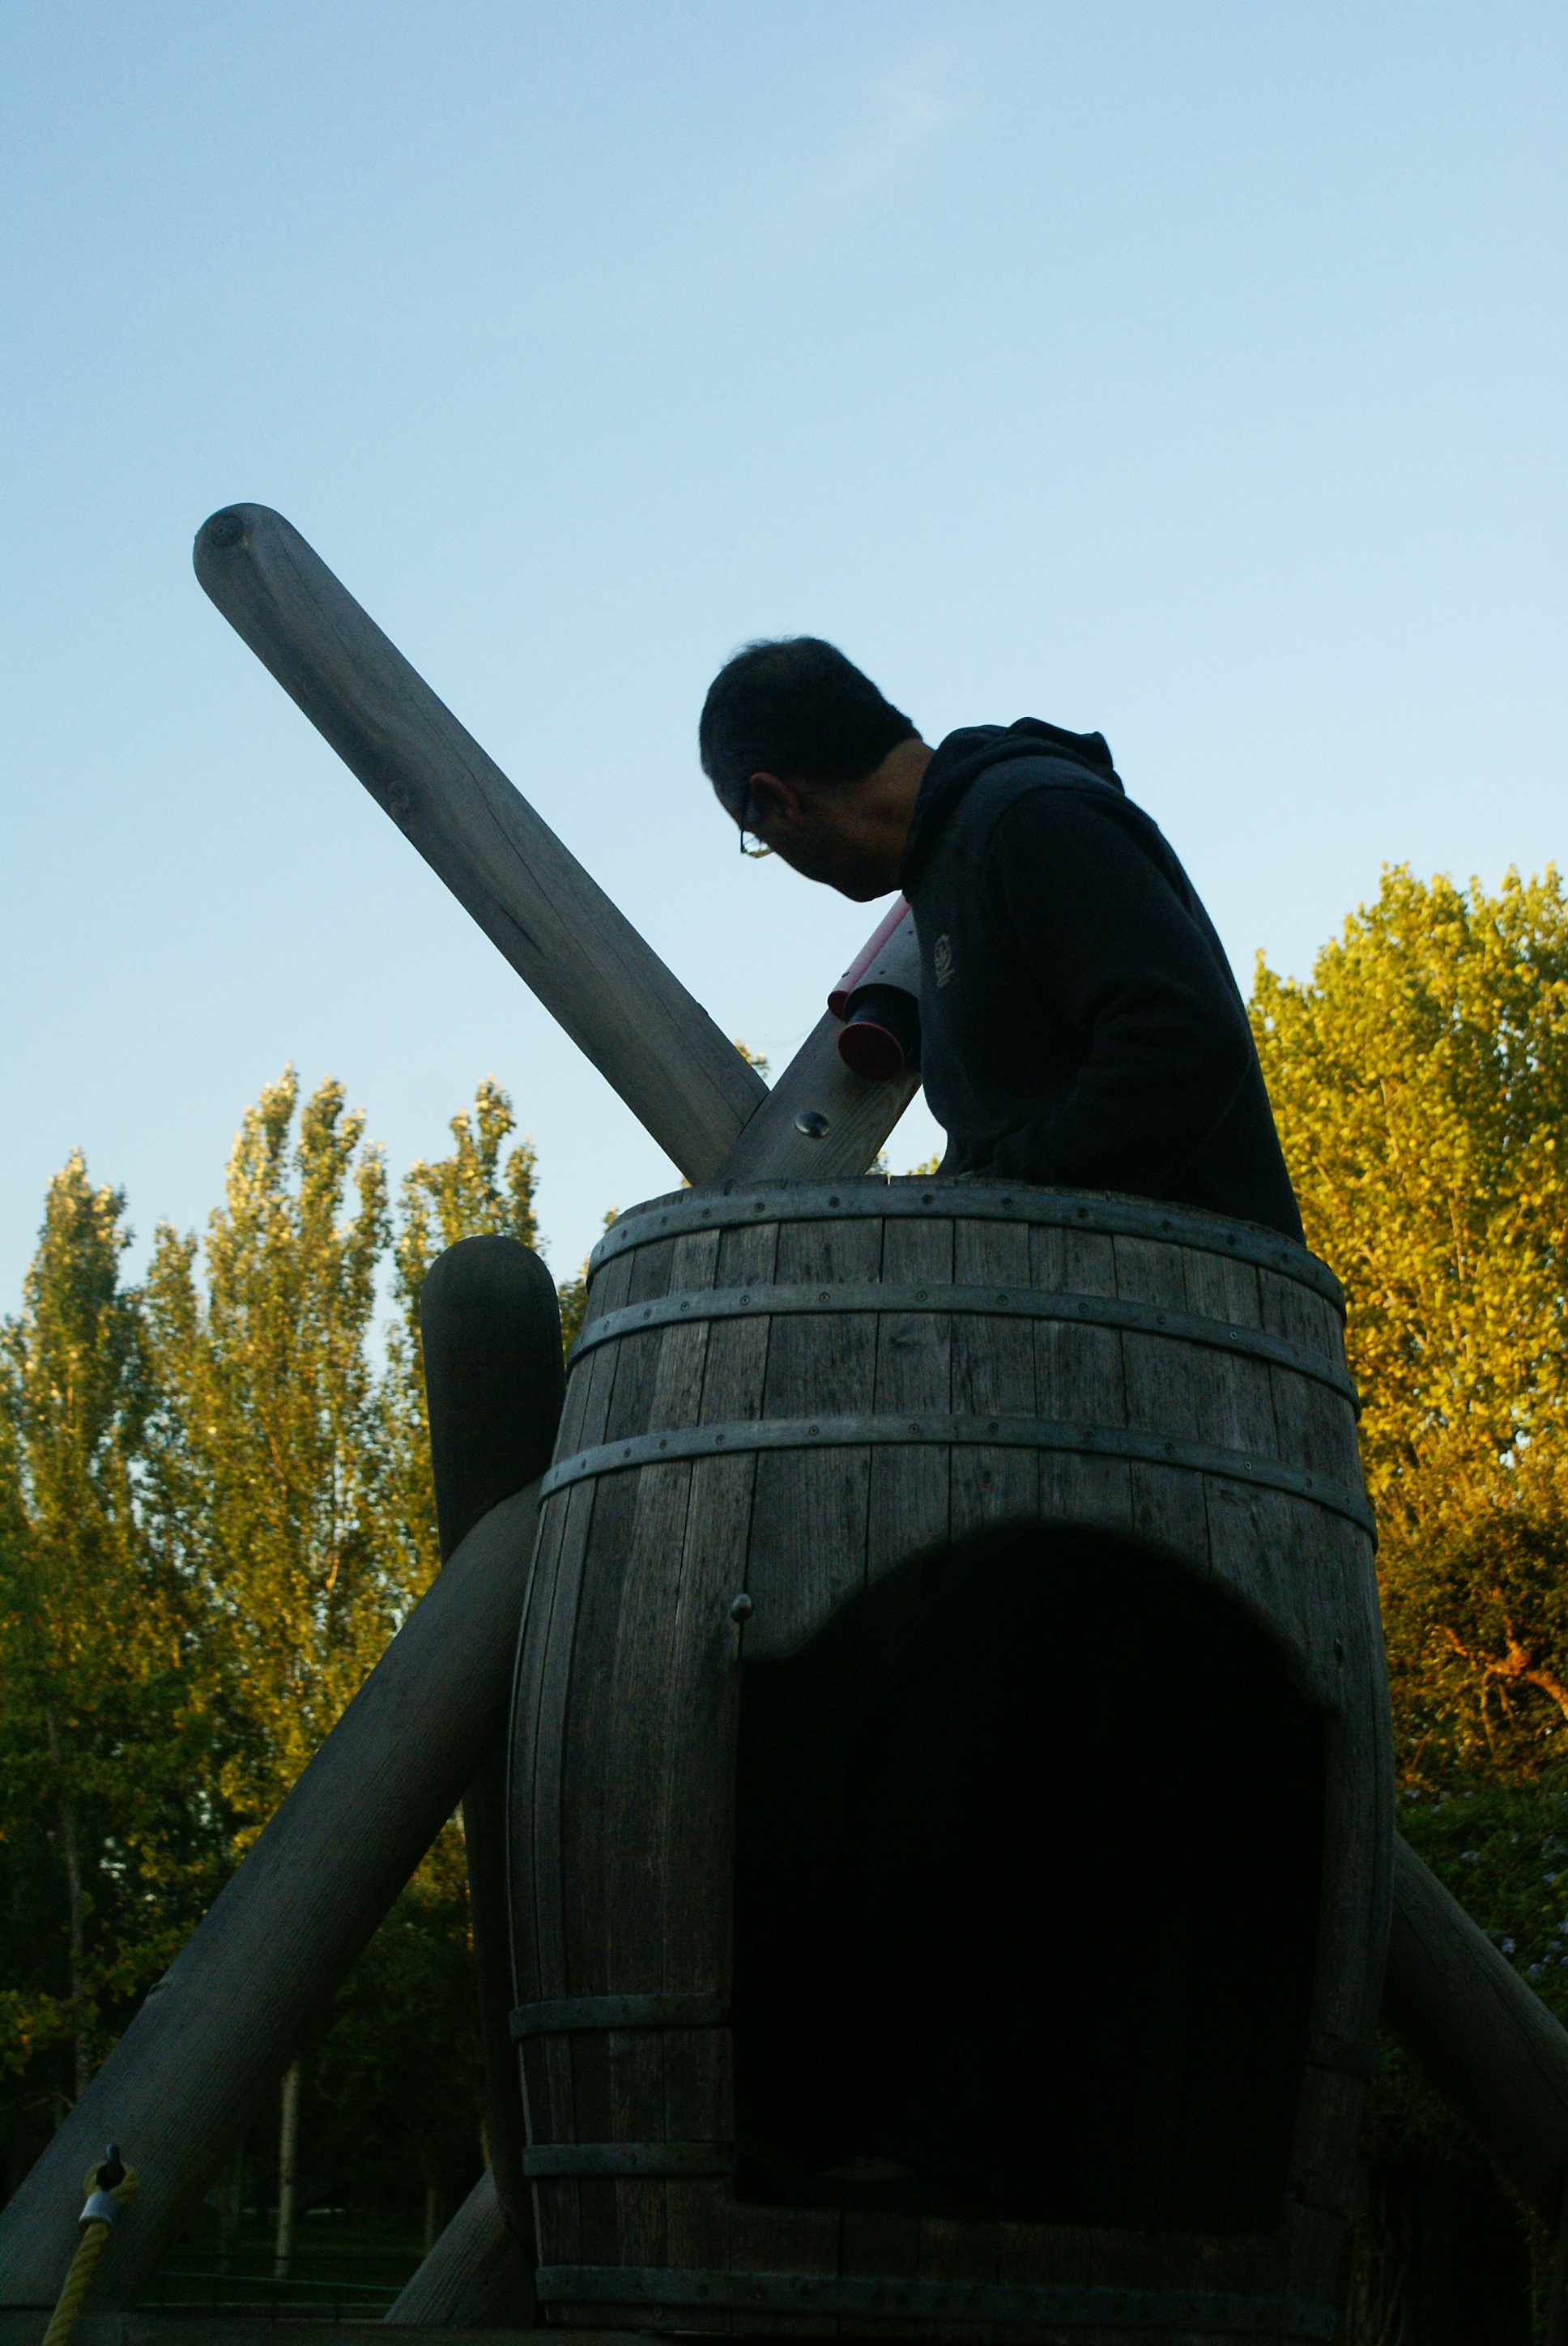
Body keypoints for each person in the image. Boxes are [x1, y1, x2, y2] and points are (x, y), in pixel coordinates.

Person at [700, 634, 1302, 1241]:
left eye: (759, 839)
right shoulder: (956, 857)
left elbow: (1185, 1042)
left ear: (779, 799)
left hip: (1185, 1281)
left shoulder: (1027, 815)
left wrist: (989, 1208)